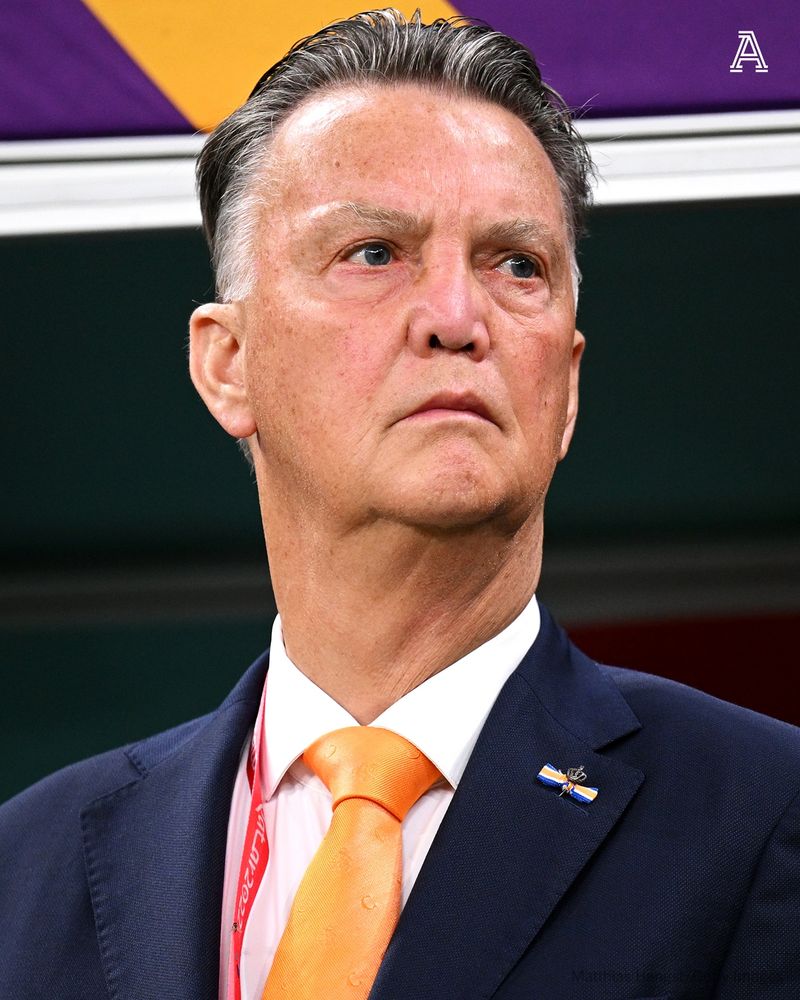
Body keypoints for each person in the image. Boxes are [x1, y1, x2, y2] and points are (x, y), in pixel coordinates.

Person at [1, 9, 798, 999]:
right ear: (228, 363)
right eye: (375, 252)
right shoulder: (24, 871)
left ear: (568, 388)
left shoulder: (766, 816)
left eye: (517, 265)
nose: (458, 319)